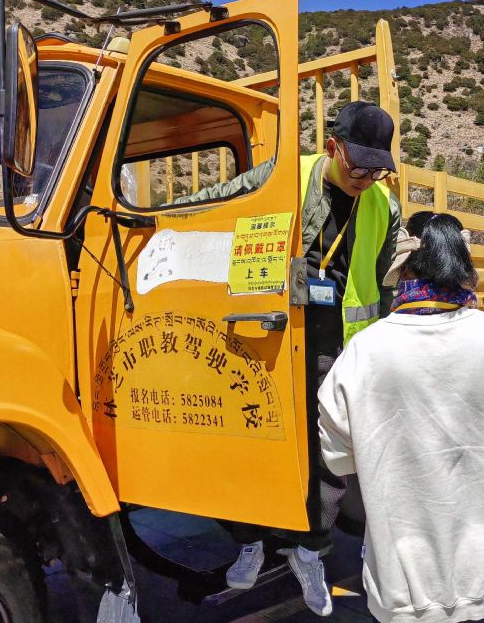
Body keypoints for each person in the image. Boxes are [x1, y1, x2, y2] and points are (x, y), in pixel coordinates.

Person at [177, 101, 401, 616]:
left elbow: (386, 287)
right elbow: (212, 202)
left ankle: (310, 552)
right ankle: (251, 540)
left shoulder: (383, 206)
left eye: (376, 168)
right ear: (332, 148)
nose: (366, 178)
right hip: (269, 333)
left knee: (326, 455)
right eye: (357, 165)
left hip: (337, 342)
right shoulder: (283, 177)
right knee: (254, 439)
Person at [318, 212, 484, 623]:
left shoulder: (364, 351)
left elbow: (337, 455)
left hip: (403, 586)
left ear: (403, 267)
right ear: (462, 265)